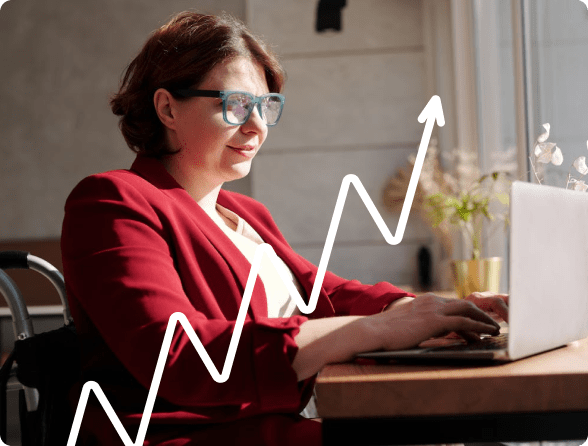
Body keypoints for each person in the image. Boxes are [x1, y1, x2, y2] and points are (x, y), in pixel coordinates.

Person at [60, 11, 508, 446]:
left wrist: (426, 311)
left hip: (270, 426)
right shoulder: (111, 201)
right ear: (167, 107)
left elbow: (327, 296)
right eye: (235, 105)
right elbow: (180, 357)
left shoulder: (246, 213)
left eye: (265, 106)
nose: (256, 126)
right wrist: (377, 329)